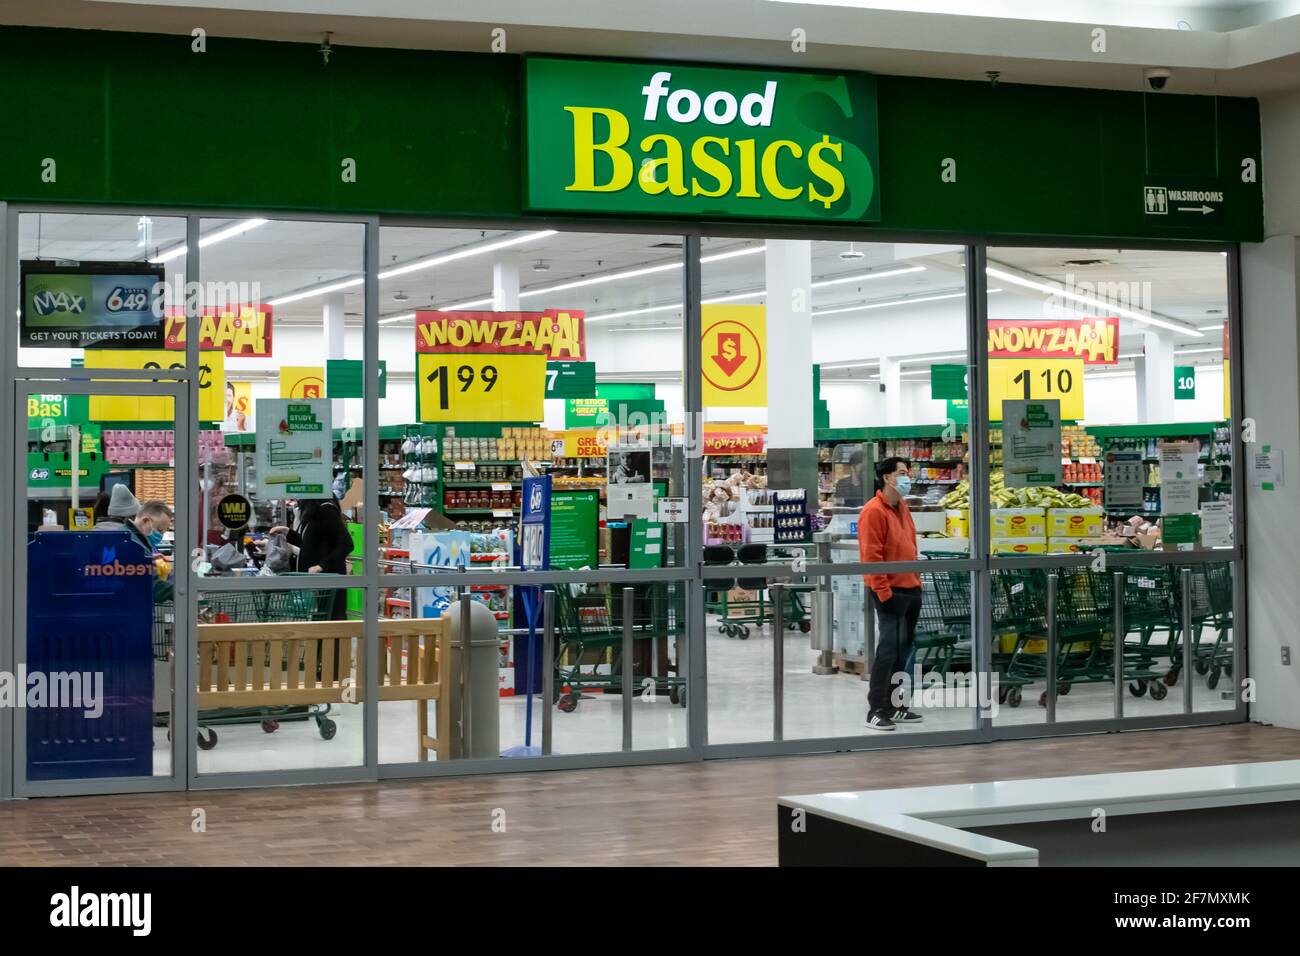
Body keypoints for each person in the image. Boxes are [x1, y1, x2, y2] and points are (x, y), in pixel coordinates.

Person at [857, 457, 924, 731]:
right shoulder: (873, 511)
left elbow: (910, 545)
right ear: (887, 477)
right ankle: (876, 709)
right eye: (901, 472)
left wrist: (916, 582)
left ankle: (896, 705)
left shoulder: (902, 507)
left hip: (910, 588)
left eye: (907, 472)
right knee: (887, 652)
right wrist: (884, 594)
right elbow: (871, 556)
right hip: (889, 592)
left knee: (902, 652)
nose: (907, 476)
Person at [269, 497, 353, 619]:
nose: (298, 500)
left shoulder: (327, 512)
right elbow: (310, 544)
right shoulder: (313, 514)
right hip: (317, 587)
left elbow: (346, 544)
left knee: (329, 626)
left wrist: (321, 566)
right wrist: (288, 533)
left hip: (328, 586)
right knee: (318, 626)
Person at [96, 486, 175, 602]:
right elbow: (154, 587)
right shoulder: (131, 543)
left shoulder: (132, 537)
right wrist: (185, 591)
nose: (161, 535)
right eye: (159, 529)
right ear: (145, 521)